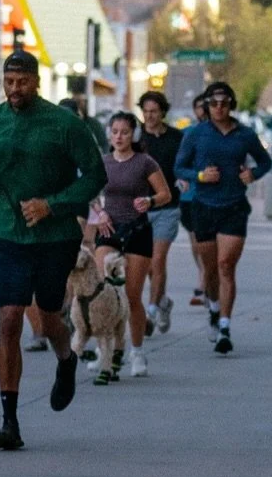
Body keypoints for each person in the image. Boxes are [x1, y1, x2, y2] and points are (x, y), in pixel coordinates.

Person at [0, 50, 106, 451]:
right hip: (4, 230)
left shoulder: (64, 123)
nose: (15, 89)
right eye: (9, 81)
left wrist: (52, 204)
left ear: (36, 81)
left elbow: (96, 175)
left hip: (54, 236)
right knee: (10, 317)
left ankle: (66, 360)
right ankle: (9, 420)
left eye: (22, 82)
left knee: (49, 313)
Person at [174, 81, 272, 356]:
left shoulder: (245, 134)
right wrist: (200, 176)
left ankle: (226, 328)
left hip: (234, 206)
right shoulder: (195, 134)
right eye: (214, 103)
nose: (219, 107)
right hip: (203, 206)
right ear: (207, 105)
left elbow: (265, 161)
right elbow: (179, 167)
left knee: (226, 265)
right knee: (210, 270)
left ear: (232, 104)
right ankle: (214, 310)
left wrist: (252, 174)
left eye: (224, 102)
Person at [88, 111, 170, 377]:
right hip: (109, 229)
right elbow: (91, 194)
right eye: (114, 132)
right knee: (104, 293)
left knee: (132, 295)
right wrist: (100, 214)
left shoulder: (144, 162)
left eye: (124, 132)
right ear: (109, 135)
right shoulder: (103, 162)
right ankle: (105, 350)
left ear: (133, 134)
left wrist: (150, 202)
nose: (119, 137)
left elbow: (165, 194)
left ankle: (136, 352)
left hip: (137, 230)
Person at [136, 91, 182, 335]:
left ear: (162, 112)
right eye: (145, 111)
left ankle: (152, 310)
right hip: (140, 207)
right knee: (148, 266)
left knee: (157, 260)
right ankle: (163, 301)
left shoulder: (176, 137)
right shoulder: (137, 138)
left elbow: (185, 165)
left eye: (154, 111)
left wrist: (185, 181)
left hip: (167, 207)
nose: (149, 116)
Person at [179, 92, 209, 307]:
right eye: (199, 107)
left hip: (213, 197)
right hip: (189, 197)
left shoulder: (221, 134)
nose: (203, 110)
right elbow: (177, 163)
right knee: (195, 243)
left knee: (207, 242)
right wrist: (182, 177)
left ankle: (206, 283)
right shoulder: (187, 134)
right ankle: (203, 277)